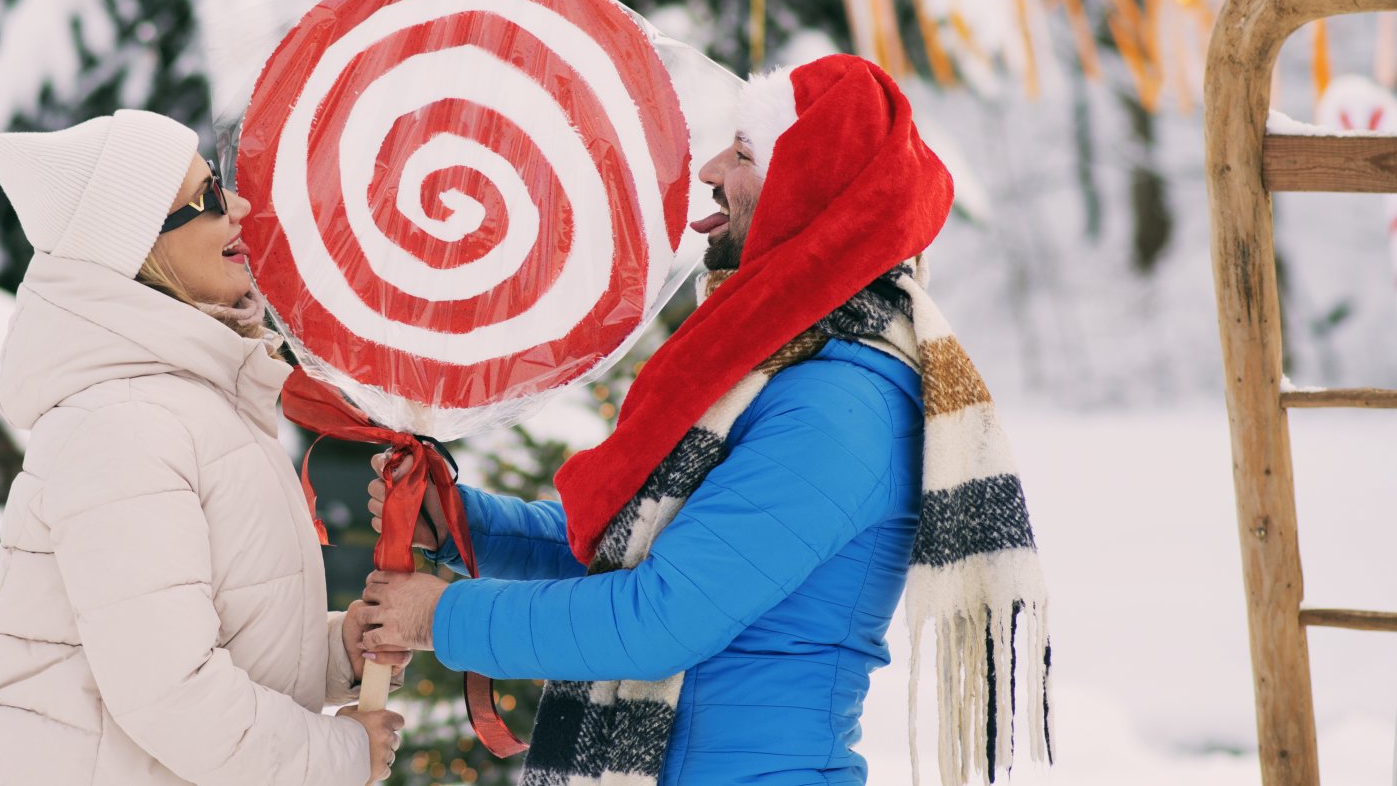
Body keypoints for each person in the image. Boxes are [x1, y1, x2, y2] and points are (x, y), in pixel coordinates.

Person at [354, 55, 1052, 786]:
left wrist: (441, 618)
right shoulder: (772, 376)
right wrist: (467, 526)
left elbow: (659, 619)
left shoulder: (839, 407)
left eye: (745, 154)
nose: (713, 168)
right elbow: (642, 558)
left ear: (803, 196)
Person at [0, 109, 406, 786]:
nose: (238, 205)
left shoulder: (191, 404)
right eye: (205, 197)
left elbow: (210, 634)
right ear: (139, 246)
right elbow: (170, 693)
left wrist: (336, 651)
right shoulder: (123, 425)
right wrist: (337, 756)